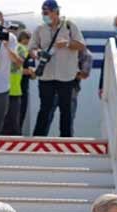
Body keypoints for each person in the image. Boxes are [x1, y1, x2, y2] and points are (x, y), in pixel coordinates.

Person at [30, 0, 86, 138]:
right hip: (46, 75)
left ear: (56, 12)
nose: (44, 15)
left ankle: (66, 140)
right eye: (43, 12)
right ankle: (38, 139)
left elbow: (81, 45)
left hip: (66, 76)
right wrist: (37, 53)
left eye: (46, 12)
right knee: (45, 109)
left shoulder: (69, 26)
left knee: (66, 110)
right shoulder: (39, 28)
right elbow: (31, 48)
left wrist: (67, 43)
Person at [2, 30, 31, 135]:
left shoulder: (18, 48)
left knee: (8, 121)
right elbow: (17, 65)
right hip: (11, 89)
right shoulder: (21, 48)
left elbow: (17, 64)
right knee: (12, 122)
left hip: (8, 88)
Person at [69, 47, 93, 134]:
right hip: (55, 87)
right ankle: (40, 140)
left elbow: (84, 74)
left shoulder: (86, 54)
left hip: (71, 89)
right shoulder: (63, 50)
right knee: (47, 116)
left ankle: (68, 142)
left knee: (69, 118)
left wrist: (68, 73)